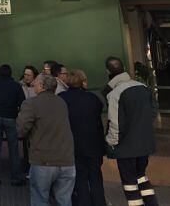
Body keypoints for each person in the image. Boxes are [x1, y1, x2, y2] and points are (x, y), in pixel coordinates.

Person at [104, 56, 158, 206]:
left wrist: (111, 143)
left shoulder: (115, 94)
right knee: (141, 176)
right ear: (124, 69)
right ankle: (152, 203)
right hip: (144, 144)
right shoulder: (143, 87)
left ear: (107, 71)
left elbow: (114, 123)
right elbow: (153, 111)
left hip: (126, 147)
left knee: (130, 183)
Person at [16, 74, 75, 206]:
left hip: (43, 160)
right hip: (67, 159)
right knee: (64, 200)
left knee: (40, 198)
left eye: (35, 82)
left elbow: (21, 129)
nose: (33, 84)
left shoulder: (31, 103)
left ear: (41, 86)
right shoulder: (62, 102)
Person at [59, 69, 106, 206]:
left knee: (80, 179)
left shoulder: (62, 98)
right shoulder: (92, 98)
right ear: (83, 82)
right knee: (96, 178)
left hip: (73, 146)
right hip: (94, 146)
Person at [0, 64, 26, 186]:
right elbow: (23, 103)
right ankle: (15, 177)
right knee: (13, 149)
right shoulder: (16, 86)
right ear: (11, 73)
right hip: (10, 118)